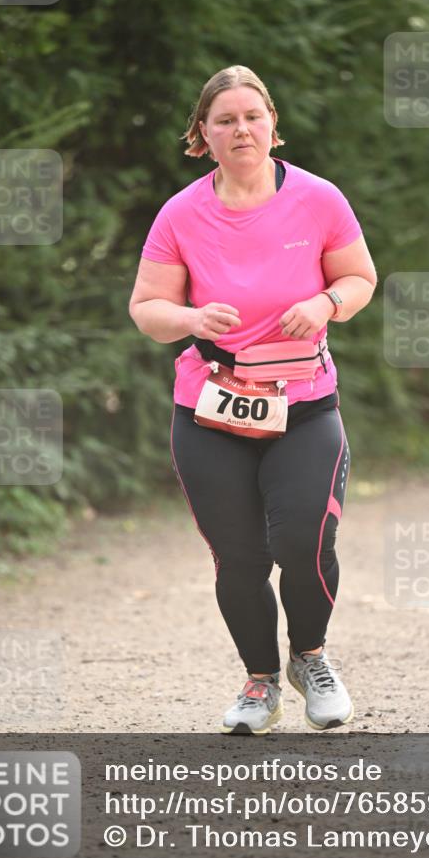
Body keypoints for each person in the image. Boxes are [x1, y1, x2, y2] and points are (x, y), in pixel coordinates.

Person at [129, 65, 377, 734]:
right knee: (238, 556)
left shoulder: (318, 199)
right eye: (224, 120)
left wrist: (325, 300)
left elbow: (359, 278)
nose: (241, 129)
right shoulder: (182, 213)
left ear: (271, 124)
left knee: (304, 538)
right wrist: (188, 320)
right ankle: (259, 682)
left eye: (252, 116)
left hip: (303, 402)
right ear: (202, 136)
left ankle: (311, 658)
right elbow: (147, 309)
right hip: (209, 409)